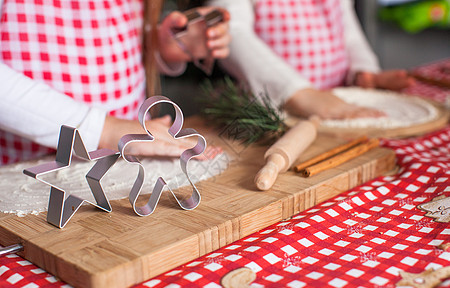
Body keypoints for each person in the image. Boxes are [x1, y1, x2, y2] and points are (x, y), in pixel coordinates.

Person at [0, 1, 230, 165]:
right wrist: (102, 130)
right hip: (27, 166)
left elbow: (112, 34)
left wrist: (162, 45)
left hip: (131, 156)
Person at [206, 0, 415, 120]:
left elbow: (347, 32)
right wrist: (297, 92)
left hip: (340, 102)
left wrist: (363, 70)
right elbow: (232, 32)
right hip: (272, 113)